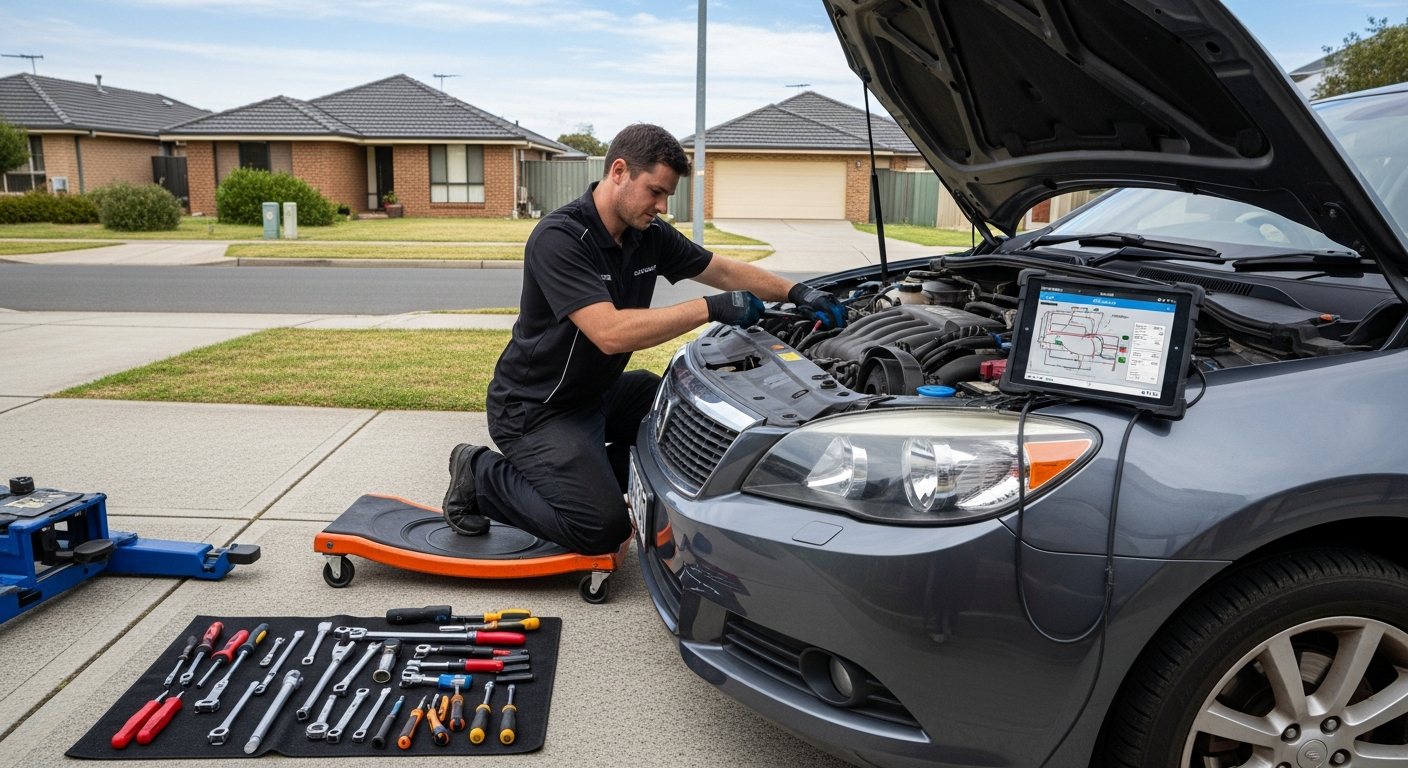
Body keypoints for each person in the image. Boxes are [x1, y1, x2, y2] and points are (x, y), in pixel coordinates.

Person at [441, 124, 846, 555]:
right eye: (655, 191)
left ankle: (599, 471)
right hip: (537, 408)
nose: (662, 206)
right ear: (619, 171)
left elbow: (721, 270)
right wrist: (710, 308)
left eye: (668, 195)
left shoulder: (646, 235)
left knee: (694, 421)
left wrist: (798, 292)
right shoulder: (560, 238)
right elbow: (609, 333)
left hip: (599, 393)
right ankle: (479, 474)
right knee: (600, 527)